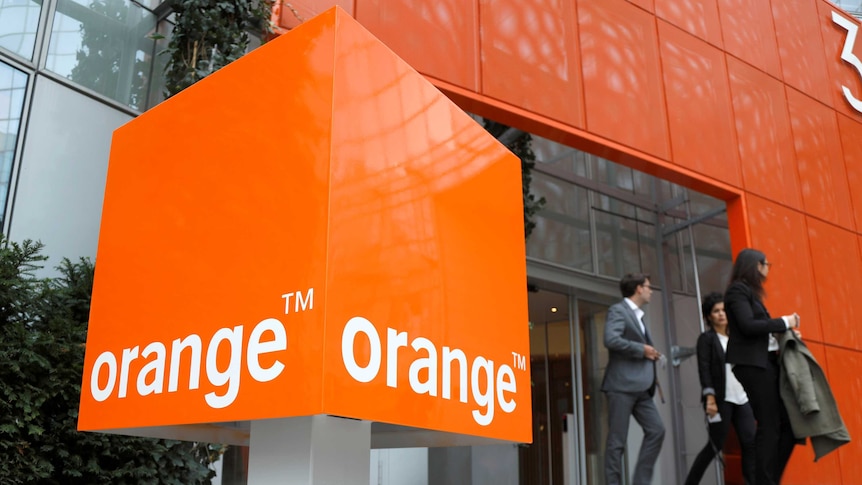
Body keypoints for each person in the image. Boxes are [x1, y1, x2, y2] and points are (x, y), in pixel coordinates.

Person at [724, 248, 800, 485]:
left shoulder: (750, 294)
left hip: (765, 363)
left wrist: (782, 332)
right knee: (769, 424)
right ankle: (764, 481)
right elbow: (747, 325)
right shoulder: (737, 290)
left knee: (789, 424)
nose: (768, 270)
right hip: (753, 365)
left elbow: (756, 328)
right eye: (766, 264)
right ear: (756, 265)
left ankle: (770, 479)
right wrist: (784, 321)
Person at [684, 292, 755, 485]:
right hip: (720, 400)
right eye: (716, 311)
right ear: (708, 316)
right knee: (714, 445)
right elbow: (704, 369)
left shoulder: (737, 337)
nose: (721, 314)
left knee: (750, 443)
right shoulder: (706, 339)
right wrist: (710, 398)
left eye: (724, 310)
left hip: (742, 398)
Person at [601, 273, 665, 485]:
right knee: (617, 442)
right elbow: (611, 339)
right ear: (638, 288)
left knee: (657, 430)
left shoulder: (639, 316)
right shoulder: (618, 311)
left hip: (642, 388)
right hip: (621, 386)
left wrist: (649, 353)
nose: (651, 291)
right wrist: (642, 349)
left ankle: (641, 482)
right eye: (648, 286)